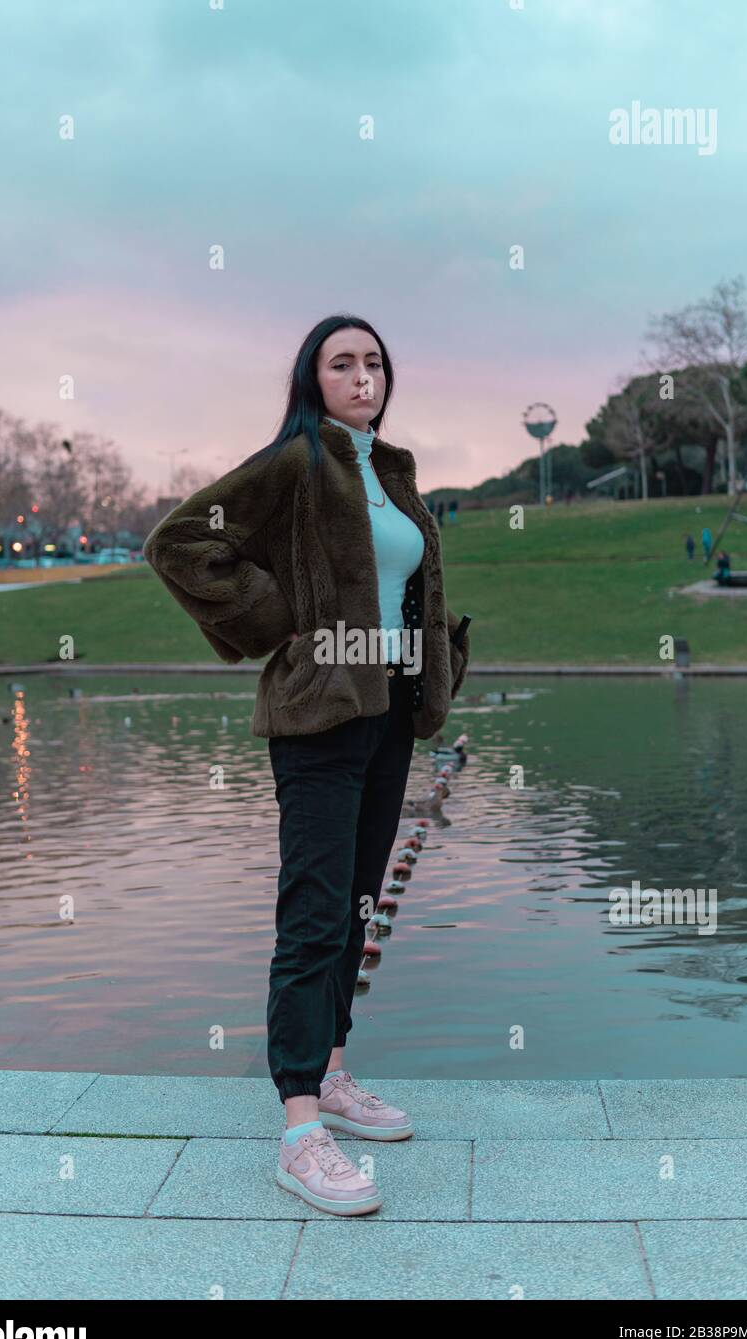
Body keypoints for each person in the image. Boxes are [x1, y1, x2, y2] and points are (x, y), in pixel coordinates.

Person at [142, 315, 470, 1217]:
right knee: (315, 909)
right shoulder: (294, 463)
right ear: (312, 377)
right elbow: (179, 544)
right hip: (321, 716)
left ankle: (330, 1074)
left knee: (361, 901)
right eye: (342, 363)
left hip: (390, 716)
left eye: (373, 362)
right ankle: (297, 1134)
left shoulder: (391, 471)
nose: (362, 376)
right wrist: (275, 619)